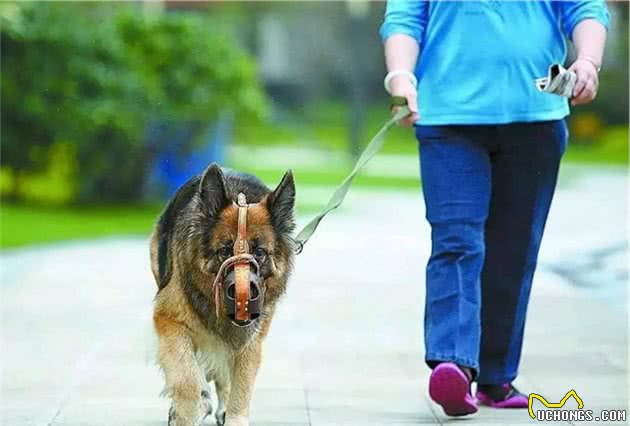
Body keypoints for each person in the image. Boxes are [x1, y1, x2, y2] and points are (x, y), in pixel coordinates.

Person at [379, 0, 609, 417]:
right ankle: (453, 362)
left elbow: (585, 7)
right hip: (448, 118)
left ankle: (495, 378)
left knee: (514, 251)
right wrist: (400, 77)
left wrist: (589, 61)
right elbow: (404, 17)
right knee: (456, 240)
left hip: (537, 116)